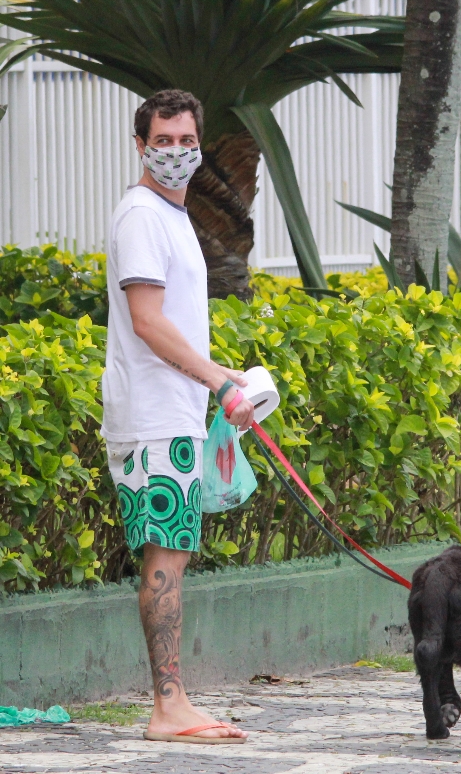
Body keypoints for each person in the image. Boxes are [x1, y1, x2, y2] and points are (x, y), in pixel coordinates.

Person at [101, 88, 253, 744]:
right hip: (153, 418)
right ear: (140, 146)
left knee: (175, 553)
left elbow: (175, 323)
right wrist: (218, 381)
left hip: (177, 415)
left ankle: (175, 703)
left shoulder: (173, 216)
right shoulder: (141, 215)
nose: (175, 153)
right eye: (161, 142)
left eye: (185, 142)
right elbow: (146, 321)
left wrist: (223, 380)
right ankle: (168, 707)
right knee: (165, 558)